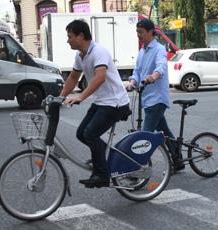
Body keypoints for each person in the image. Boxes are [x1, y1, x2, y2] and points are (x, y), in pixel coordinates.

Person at [60, 19, 131, 188]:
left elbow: (100, 77)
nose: (67, 40)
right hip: (102, 102)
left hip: (115, 103)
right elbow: (73, 78)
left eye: (70, 36)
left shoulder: (99, 51)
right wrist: (59, 97)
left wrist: (81, 97)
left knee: (90, 134)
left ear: (81, 35)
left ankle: (102, 174)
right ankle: (101, 157)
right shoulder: (80, 55)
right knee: (81, 133)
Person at [124, 19, 183, 173]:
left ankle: (136, 170)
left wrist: (153, 76)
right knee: (164, 132)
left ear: (150, 32)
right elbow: (137, 72)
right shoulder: (142, 52)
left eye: (141, 32)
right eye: (137, 32)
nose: (138, 35)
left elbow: (161, 66)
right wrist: (132, 82)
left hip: (157, 99)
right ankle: (178, 159)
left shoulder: (159, 49)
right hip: (147, 99)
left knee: (145, 137)